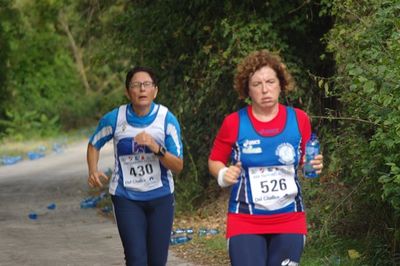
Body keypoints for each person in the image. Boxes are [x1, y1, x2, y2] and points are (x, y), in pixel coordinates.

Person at [208, 50, 323, 266]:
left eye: (270, 81)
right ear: (247, 90)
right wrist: (223, 174)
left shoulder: (299, 119)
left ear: (281, 84)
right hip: (245, 220)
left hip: (290, 219)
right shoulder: (233, 123)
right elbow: (214, 160)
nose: (265, 89)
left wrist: (314, 165)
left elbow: (305, 161)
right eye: (256, 84)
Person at [86, 66, 183, 266]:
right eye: (136, 85)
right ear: (127, 91)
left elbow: (178, 165)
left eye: (146, 85)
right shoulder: (115, 118)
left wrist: (157, 148)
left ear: (155, 90)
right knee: (136, 258)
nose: (141, 90)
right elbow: (94, 144)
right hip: (126, 198)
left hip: (161, 198)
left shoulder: (166, 119)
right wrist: (93, 170)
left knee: (157, 261)